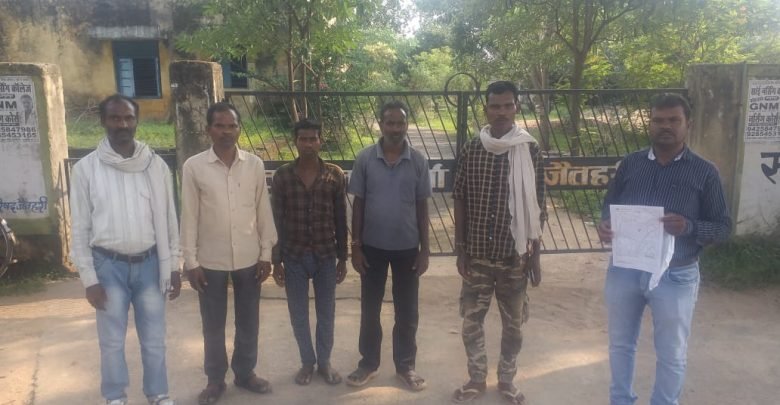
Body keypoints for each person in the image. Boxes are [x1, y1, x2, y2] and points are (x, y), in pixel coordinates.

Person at [597, 93, 731, 405]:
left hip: (676, 274)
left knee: (671, 353)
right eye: (658, 120)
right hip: (625, 270)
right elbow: (609, 207)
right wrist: (605, 225)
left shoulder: (705, 171)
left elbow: (723, 227)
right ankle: (620, 400)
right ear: (650, 124)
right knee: (620, 345)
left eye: (674, 120)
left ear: (688, 124)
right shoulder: (630, 164)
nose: (665, 126)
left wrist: (689, 227)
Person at [69, 94, 181, 405]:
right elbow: (80, 228)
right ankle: (115, 396)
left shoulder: (155, 166)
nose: (123, 124)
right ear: (103, 121)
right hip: (108, 267)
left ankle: (158, 394)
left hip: (150, 265)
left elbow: (169, 218)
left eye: (129, 118)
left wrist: (174, 265)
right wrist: (89, 279)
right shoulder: (86, 169)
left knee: (155, 340)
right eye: (115, 118)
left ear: (136, 121)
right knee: (111, 342)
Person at [450, 81, 546, 405]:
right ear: (486, 109)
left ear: (516, 107)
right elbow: (459, 197)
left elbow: (538, 204)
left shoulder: (529, 148)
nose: (501, 112)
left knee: (514, 326)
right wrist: (460, 249)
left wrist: (535, 256)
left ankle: (507, 380)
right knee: (471, 323)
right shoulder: (472, 148)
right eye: (495, 106)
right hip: (477, 254)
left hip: (514, 256)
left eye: (507, 105)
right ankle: (476, 379)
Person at [180, 102, 277, 405]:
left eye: (232, 125)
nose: (226, 131)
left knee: (249, 320)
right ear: (208, 129)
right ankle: (215, 379)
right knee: (213, 324)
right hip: (210, 260)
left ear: (239, 129)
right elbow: (189, 216)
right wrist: (191, 261)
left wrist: (266, 253)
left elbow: (263, 209)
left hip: (249, 256)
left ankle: (245, 373)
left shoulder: (254, 164)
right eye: (219, 126)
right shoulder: (194, 167)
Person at [346, 100, 432, 391]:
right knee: (370, 309)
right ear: (381, 125)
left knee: (407, 311)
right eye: (390, 123)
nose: (395, 128)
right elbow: (358, 204)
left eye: (400, 123)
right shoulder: (365, 158)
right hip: (372, 247)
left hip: (407, 248)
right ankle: (368, 364)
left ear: (407, 125)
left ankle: (406, 366)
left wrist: (425, 250)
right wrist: (356, 246)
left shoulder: (418, 160)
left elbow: (422, 207)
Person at [271, 118, 348, 386]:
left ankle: (324, 362)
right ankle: (307, 362)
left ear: (320, 141)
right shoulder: (282, 176)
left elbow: (341, 218)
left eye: (313, 139)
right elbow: (276, 219)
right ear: (295, 142)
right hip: (293, 256)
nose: (308, 144)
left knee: (326, 312)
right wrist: (276, 261)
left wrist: (343, 258)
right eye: (303, 139)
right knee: (298, 314)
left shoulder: (334, 174)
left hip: (326, 255)